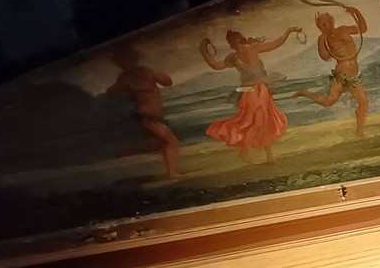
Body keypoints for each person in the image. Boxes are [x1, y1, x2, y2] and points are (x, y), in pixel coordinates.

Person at [199, 26, 302, 163]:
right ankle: (248, 152)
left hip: (260, 90)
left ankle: (267, 155)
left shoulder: (248, 50)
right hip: (252, 92)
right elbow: (216, 65)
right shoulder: (239, 55)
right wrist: (203, 49)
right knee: (258, 121)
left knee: (263, 121)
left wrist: (204, 49)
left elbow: (275, 44)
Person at [293, 3, 369, 138]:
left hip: (353, 75)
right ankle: (305, 93)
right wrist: (322, 41)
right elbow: (325, 57)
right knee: (329, 101)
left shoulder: (344, 30)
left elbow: (363, 28)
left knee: (363, 103)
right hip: (341, 74)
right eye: (320, 27)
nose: (323, 28)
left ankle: (359, 131)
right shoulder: (324, 38)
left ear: (331, 21)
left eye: (324, 24)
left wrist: (356, 11)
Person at [106, 47, 181, 179]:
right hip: (148, 116)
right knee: (171, 140)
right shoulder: (125, 78)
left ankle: (171, 171)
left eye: (129, 59)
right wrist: (131, 90)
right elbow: (112, 92)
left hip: (155, 115)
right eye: (122, 62)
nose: (126, 64)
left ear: (135, 59)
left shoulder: (146, 72)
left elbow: (168, 82)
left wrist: (158, 76)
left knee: (161, 143)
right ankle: (172, 173)